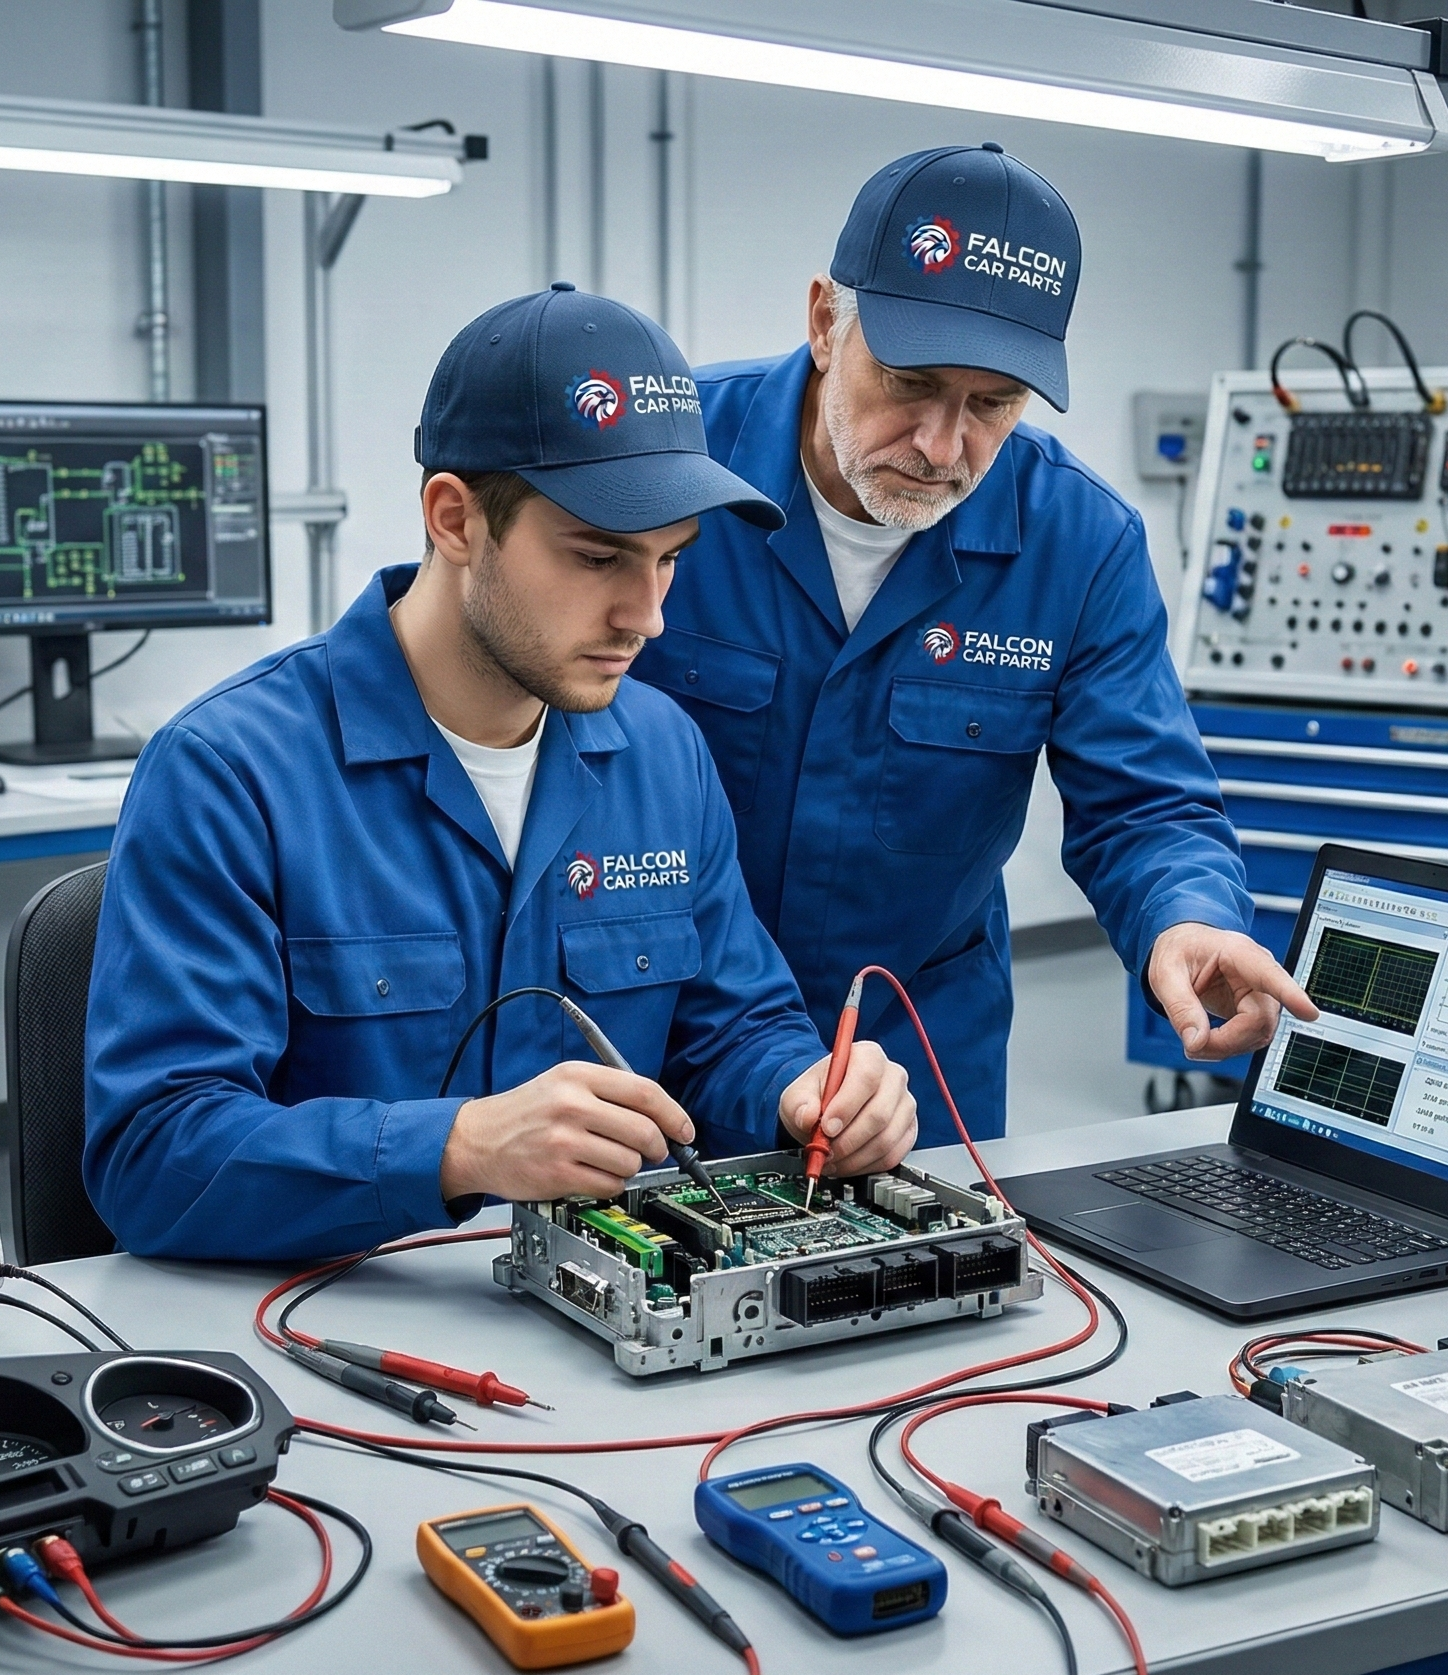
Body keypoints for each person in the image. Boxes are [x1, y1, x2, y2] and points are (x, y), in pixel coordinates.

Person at [85, 284, 916, 1261]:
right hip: (337, 1320)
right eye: (598, 556)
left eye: (668, 561)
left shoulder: (661, 754)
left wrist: (800, 1089)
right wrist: (458, 1148)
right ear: (453, 518)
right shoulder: (231, 773)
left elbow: (731, 1029)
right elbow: (152, 1155)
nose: (644, 616)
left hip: (607, 1318)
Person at [633, 142, 1312, 1145]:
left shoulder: (1074, 541)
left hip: (916, 1053)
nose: (942, 446)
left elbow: (1144, 800)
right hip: (663, 1028)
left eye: (991, 403)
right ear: (824, 321)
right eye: (908, 383)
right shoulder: (664, 474)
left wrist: (1187, 916)